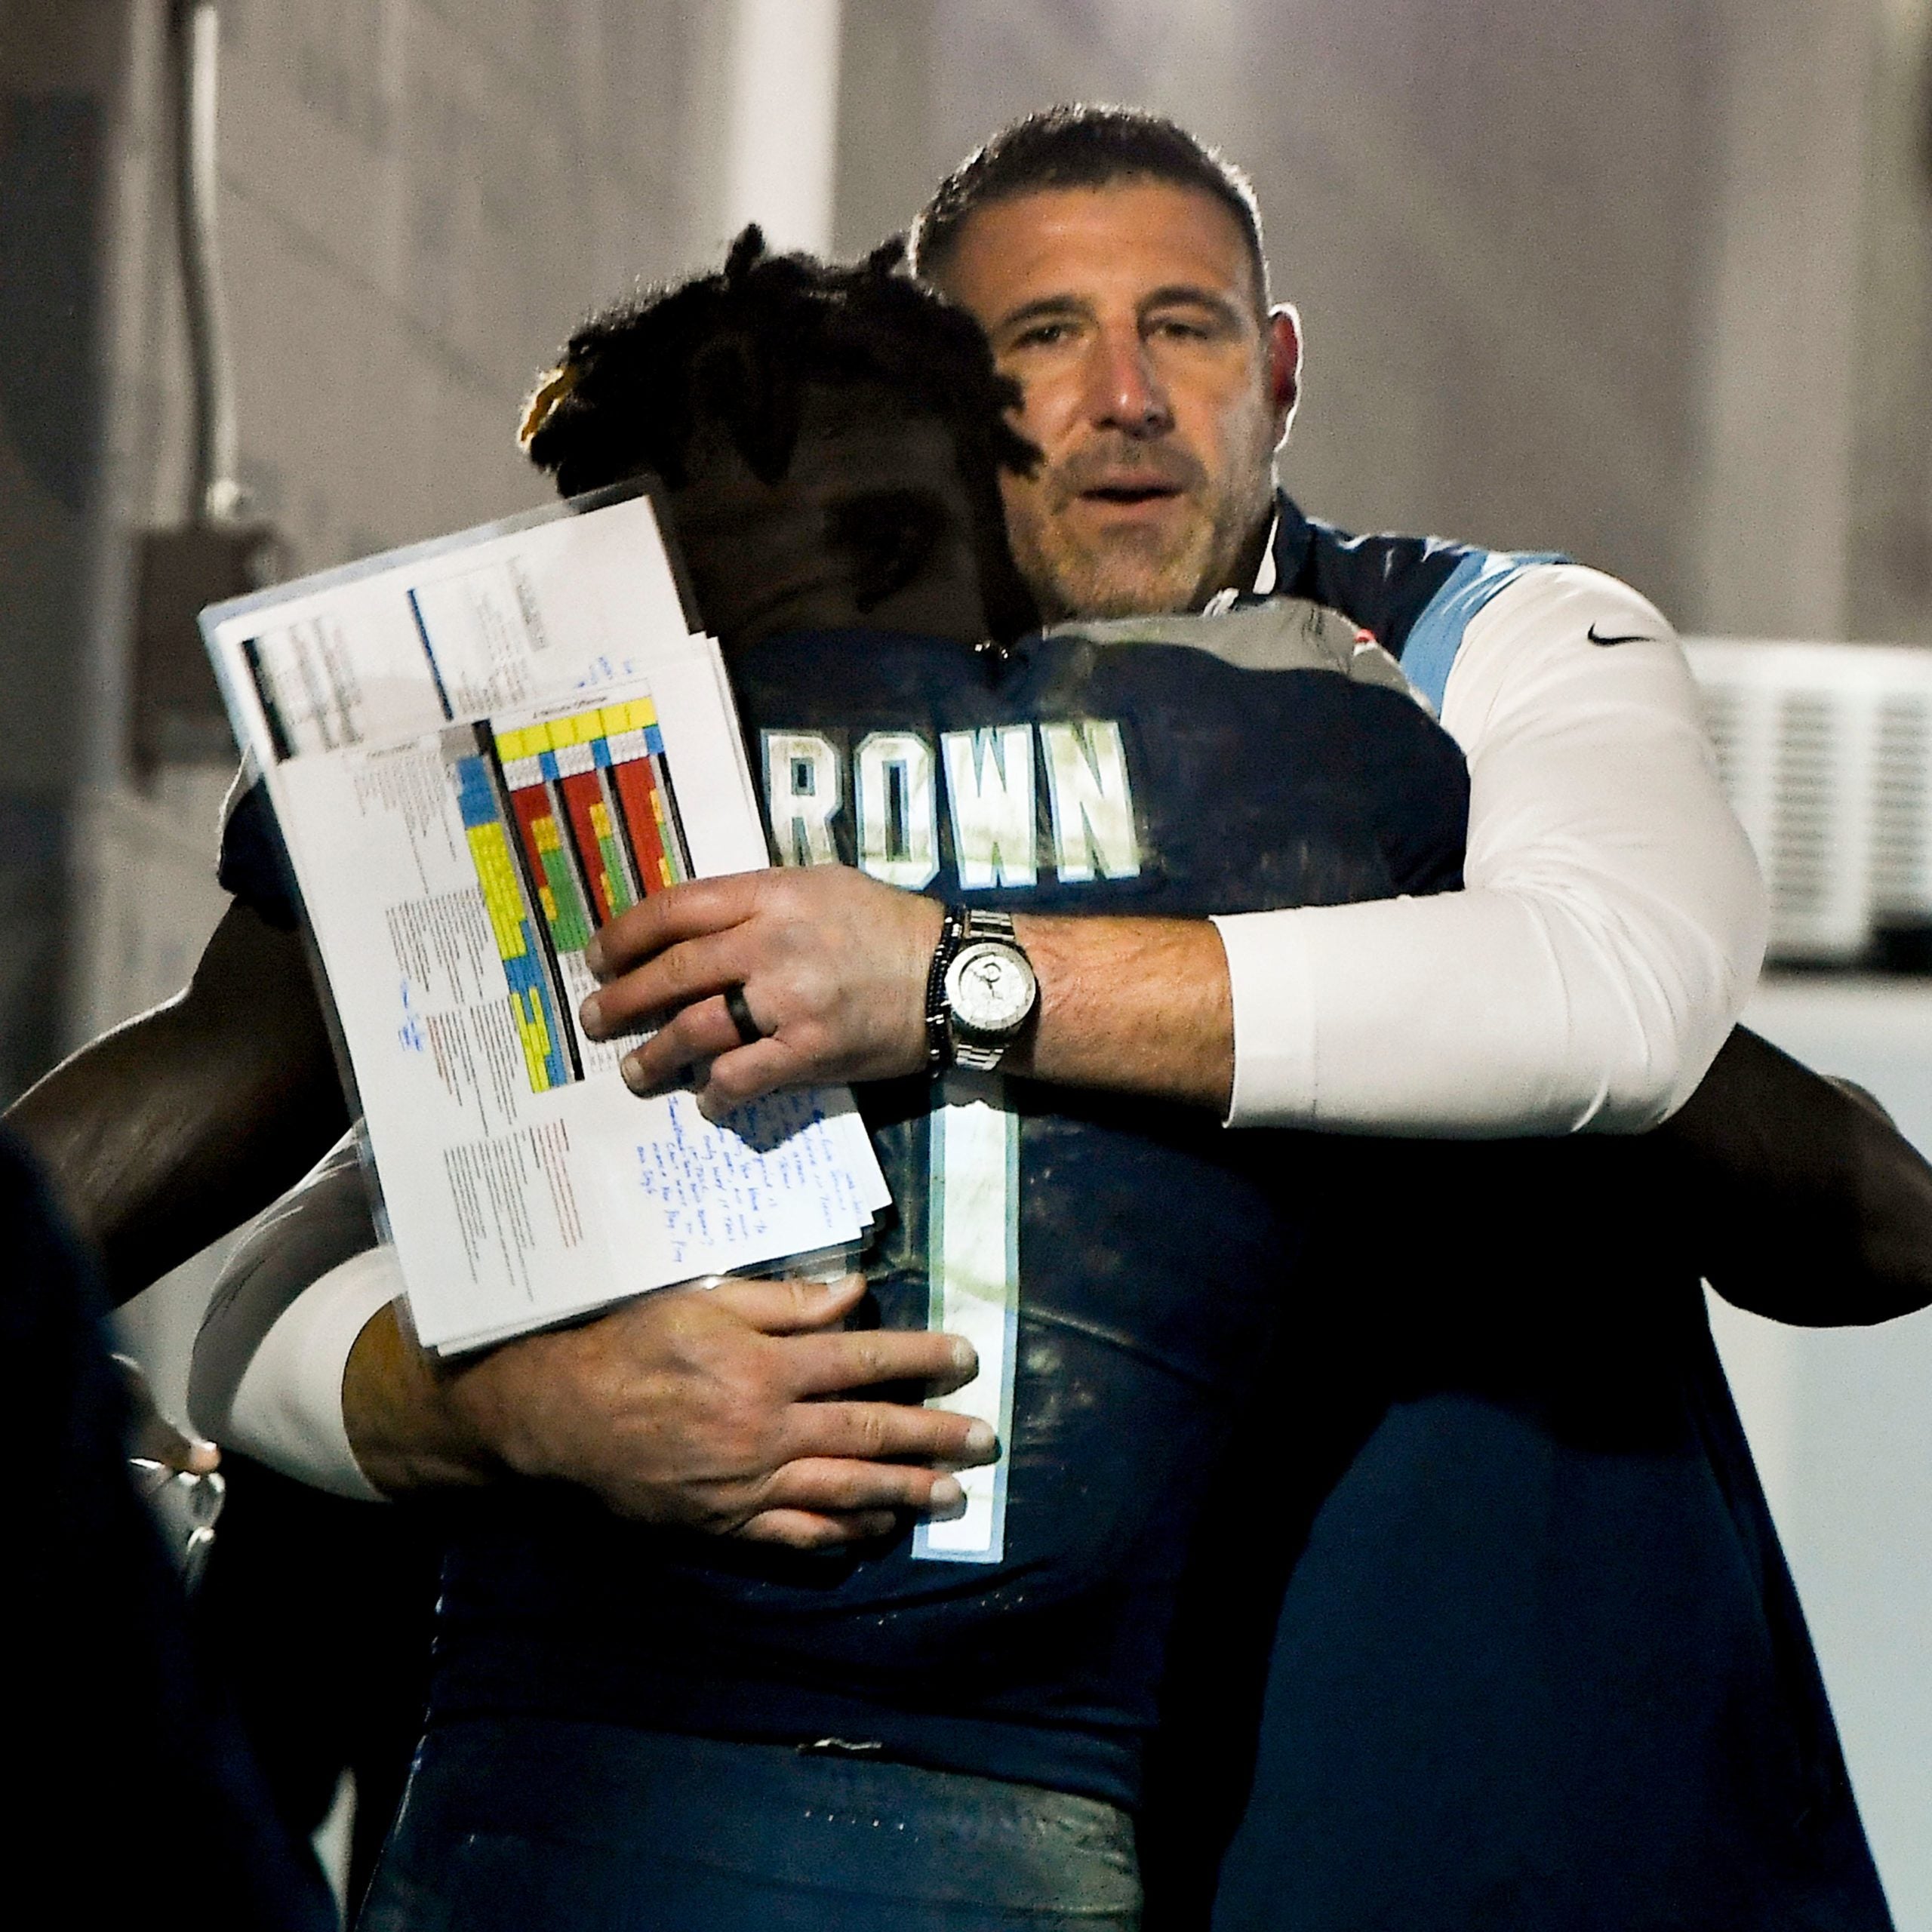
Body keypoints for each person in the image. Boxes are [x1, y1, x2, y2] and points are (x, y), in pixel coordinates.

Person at [213, 208, 1904, 1932]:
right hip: (1015, 1828)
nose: (1114, 400)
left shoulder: (534, 799)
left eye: (1178, 326)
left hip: (619, 1820)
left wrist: (955, 976)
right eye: (1037, 347)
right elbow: (1821, 1167)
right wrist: (508, 1403)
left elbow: (232, 1253)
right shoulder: (1312, 743)